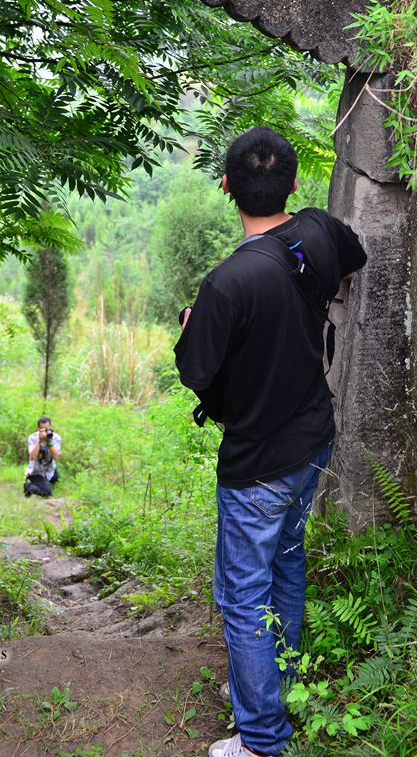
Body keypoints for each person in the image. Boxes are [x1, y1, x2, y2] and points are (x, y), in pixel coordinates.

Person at [173, 127, 367, 757]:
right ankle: (280, 683)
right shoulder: (319, 231)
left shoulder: (225, 285)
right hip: (312, 442)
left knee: (241, 596)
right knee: (286, 558)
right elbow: (353, 257)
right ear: (293, 182)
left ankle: (260, 739)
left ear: (226, 185)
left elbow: (196, 371)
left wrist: (194, 326)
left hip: (257, 464)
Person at [23, 416, 61, 498]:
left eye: (47, 428)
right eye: (43, 429)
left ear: (50, 426)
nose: (45, 431)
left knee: (56, 479)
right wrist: (39, 441)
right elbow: (32, 457)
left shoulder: (56, 437)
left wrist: (48, 441)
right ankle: (28, 486)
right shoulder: (32, 437)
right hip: (36, 471)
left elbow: (56, 457)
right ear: (38, 428)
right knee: (47, 491)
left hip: (49, 468)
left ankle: (42, 483)